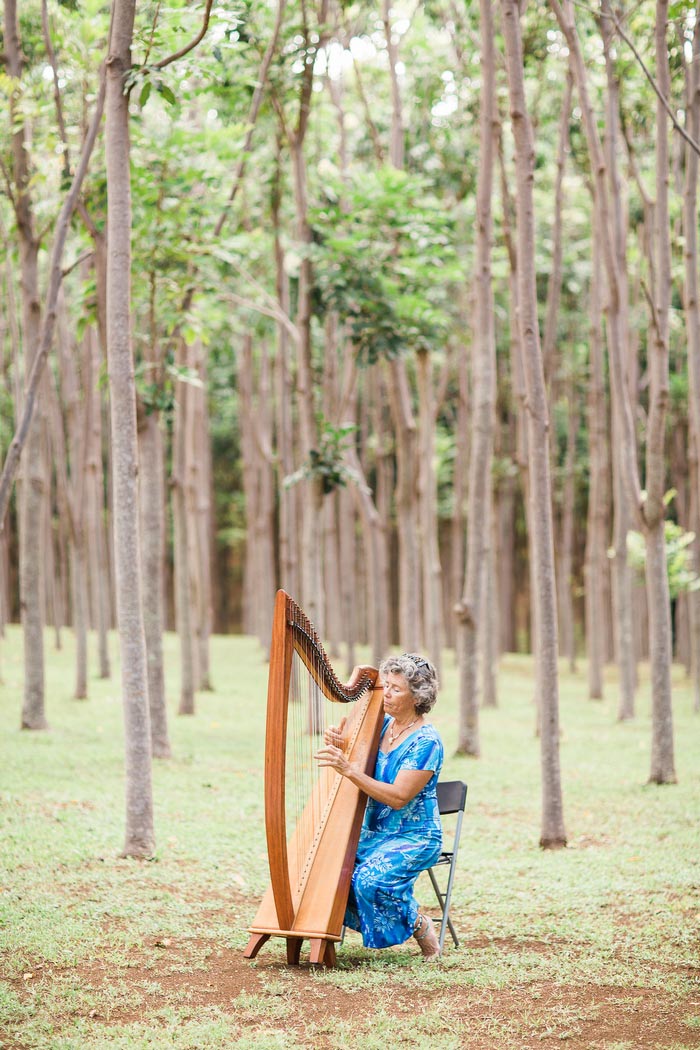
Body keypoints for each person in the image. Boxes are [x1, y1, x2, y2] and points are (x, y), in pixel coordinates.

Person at [315, 652, 444, 961]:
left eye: (395, 689)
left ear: (417, 697)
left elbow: (399, 797)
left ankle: (418, 923)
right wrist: (338, 739)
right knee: (331, 866)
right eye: (385, 685)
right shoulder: (381, 725)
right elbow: (350, 747)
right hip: (375, 832)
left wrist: (349, 770)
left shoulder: (427, 741)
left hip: (415, 836)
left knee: (368, 880)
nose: (385, 694)